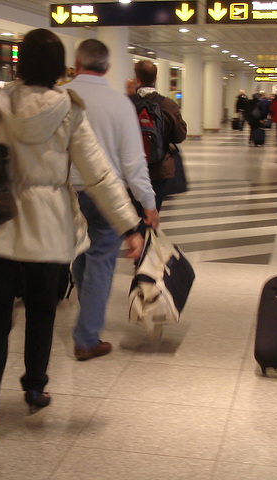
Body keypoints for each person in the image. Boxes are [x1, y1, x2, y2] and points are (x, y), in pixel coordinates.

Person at [0, 29, 144, 442]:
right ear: (58, 68)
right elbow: (99, 175)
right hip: (49, 228)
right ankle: (35, 386)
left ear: (19, 63)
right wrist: (129, 222)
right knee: (41, 311)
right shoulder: (70, 111)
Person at [61, 39, 159, 361]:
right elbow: (133, 162)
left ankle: (86, 315)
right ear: (107, 67)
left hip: (65, 192)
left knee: (79, 253)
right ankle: (87, 337)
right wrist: (148, 202)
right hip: (105, 194)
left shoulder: (60, 97)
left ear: (77, 64)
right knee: (101, 259)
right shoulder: (120, 104)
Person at [129, 60, 187, 211]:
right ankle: (149, 232)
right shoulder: (168, 104)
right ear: (155, 78)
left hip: (131, 168)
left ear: (137, 78)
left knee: (134, 214)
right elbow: (179, 136)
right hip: (159, 169)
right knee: (153, 211)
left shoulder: (126, 103)